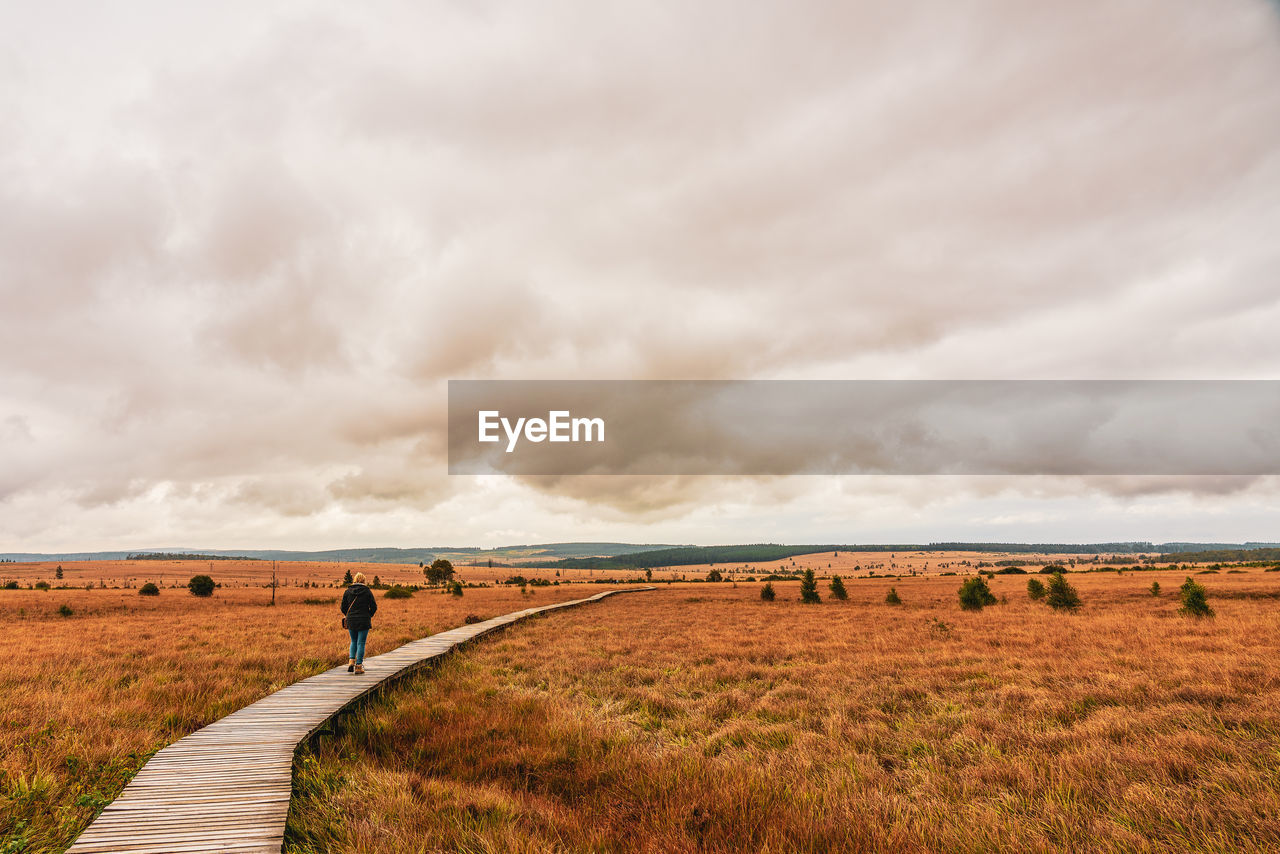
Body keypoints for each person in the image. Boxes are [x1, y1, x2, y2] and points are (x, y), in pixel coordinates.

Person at [340, 572, 377, 674]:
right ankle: (359, 666)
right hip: (364, 620)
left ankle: (351, 662)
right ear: (364, 580)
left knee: (353, 641)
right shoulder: (367, 591)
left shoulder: (347, 591)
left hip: (351, 620)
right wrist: (369, 615)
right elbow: (374, 606)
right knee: (361, 643)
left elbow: (343, 607)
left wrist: (349, 614)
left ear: (355, 580)